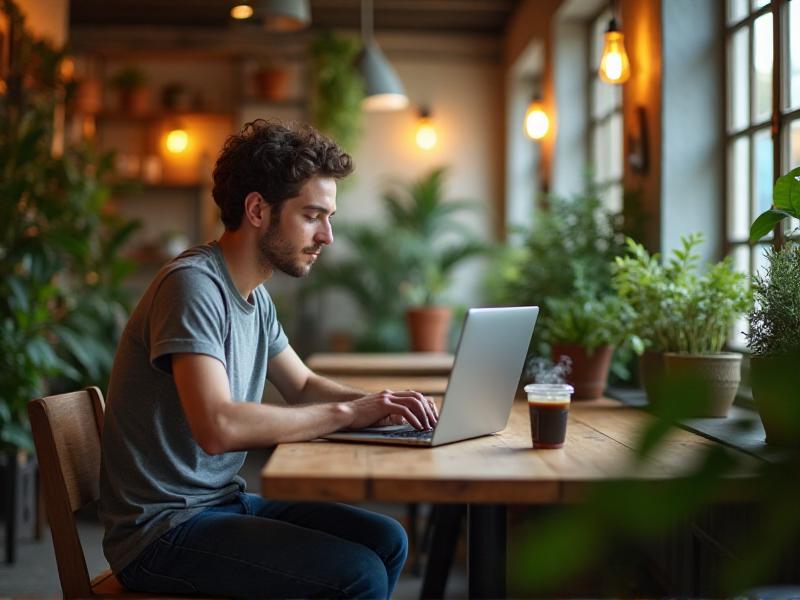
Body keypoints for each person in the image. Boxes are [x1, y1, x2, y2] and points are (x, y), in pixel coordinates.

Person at [98, 119, 438, 599]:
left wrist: (380, 404)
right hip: (161, 532)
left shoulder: (254, 298)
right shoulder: (192, 286)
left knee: (386, 540)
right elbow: (217, 427)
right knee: (357, 574)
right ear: (258, 209)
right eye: (312, 216)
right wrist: (348, 413)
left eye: (330, 217)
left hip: (219, 503)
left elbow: (301, 385)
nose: (327, 236)